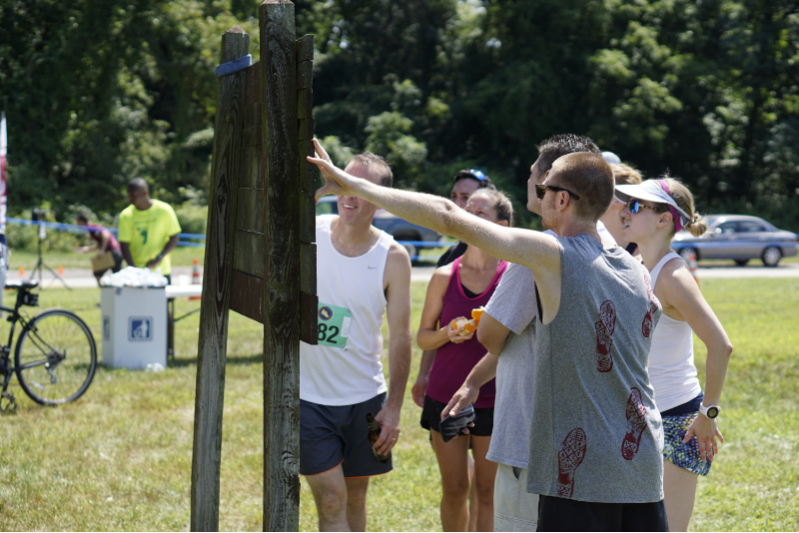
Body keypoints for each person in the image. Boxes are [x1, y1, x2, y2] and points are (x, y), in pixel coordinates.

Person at [308, 139, 668, 532]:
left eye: (544, 188)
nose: (537, 192)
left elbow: (449, 217)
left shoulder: (553, 255)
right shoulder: (637, 270)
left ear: (562, 200)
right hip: (642, 462)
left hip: (582, 476)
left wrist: (354, 185)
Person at [442, 133, 606, 532]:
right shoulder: (612, 251)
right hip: (590, 438)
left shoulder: (539, 253)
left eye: (534, 172)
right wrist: (473, 381)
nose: (529, 179)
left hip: (531, 442)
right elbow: (531, 338)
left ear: (551, 183)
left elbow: (491, 335)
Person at [299, 151, 412, 533]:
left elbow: (400, 336)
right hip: (309, 398)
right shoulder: (310, 230)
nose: (348, 194)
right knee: (332, 500)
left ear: (381, 199)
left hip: (364, 399)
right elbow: (268, 225)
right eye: (343, 182)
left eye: (359, 187)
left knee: (356, 498)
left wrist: (393, 408)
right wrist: (319, 192)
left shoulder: (393, 257)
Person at [617, 178, 733, 532]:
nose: (624, 212)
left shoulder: (673, 276)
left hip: (676, 419)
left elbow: (720, 345)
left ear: (663, 219)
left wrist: (708, 412)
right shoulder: (635, 263)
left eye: (635, 206)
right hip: (636, 415)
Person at [417, 188, 512, 532]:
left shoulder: (512, 276)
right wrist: (448, 333)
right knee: (455, 489)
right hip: (446, 399)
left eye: (480, 213)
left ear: (501, 225)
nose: (468, 217)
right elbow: (423, 337)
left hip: (494, 400)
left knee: (488, 491)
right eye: (466, 210)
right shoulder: (444, 275)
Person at [117, 178, 181, 284]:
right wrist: (133, 268)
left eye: (134, 195)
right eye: (129, 195)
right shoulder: (126, 215)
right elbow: (124, 245)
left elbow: (174, 237)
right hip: (137, 273)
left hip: (161, 270)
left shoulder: (164, 210)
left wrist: (159, 257)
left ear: (145, 193)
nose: (130, 198)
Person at [600, 163, 643, 253]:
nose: (590, 193)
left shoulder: (643, 252)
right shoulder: (588, 239)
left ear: (618, 200)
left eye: (598, 188)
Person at [75, 213, 123, 285]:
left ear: (81, 222)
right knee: (116, 277)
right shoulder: (91, 229)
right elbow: (100, 243)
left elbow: (106, 235)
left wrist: (102, 251)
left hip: (112, 253)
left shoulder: (92, 227)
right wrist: (87, 248)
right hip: (118, 252)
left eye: (77, 222)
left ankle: (104, 289)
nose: (77, 224)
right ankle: (113, 291)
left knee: (97, 272)